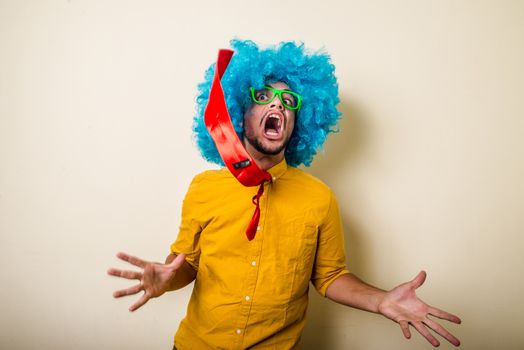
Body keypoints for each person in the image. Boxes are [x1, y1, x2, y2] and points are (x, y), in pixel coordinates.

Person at [108, 40, 461, 349]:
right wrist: (167, 279)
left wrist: (381, 300)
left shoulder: (319, 199)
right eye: (263, 96)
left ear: (300, 122)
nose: (277, 105)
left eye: (288, 101)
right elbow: (185, 265)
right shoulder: (203, 188)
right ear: (240, 113)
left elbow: (330, 277)